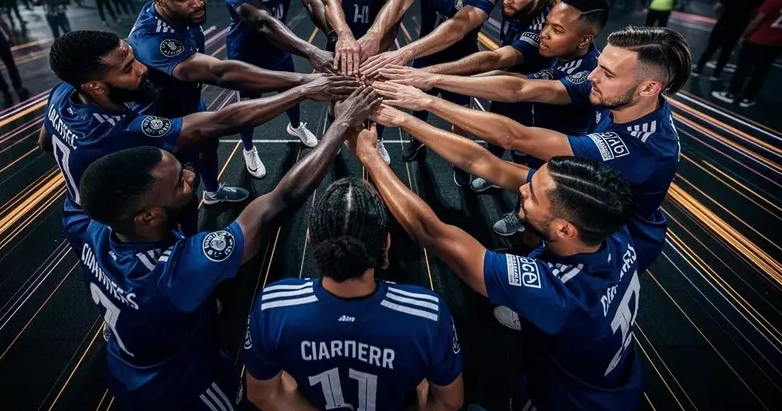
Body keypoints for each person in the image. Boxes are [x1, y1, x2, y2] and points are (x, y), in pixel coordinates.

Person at [67, 87, 378, 411]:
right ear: (147, 217)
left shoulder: (97, 229)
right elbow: (277, 203)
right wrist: (340, 125)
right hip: (186, 391)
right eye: (179, 182)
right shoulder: (175, 272)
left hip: (126, 370)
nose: (191, 175)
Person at [350, 125, 642, 410]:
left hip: (567, 400)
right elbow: (483, 162)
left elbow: (432, 233)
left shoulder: (558, 293)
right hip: (615, 382)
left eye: (533, 195)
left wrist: (370, 157)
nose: (522, 189)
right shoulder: (610, 229)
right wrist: (403, 117)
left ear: (565, 229)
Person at [375, 26, 691, 270]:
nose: (593, 75)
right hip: (583, 211)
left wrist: (427, 101)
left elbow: (515, 137)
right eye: (599, 65)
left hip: (611, 249)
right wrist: (429, 79)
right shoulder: (621, 94)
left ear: (650, 87)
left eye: (607, 73)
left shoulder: (640, 148)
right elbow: (520, 88)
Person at [40, 30, 357, 248]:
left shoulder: (63, 93)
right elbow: (221, 121)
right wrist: (305, 90)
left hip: (77, 212)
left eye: (134, 58)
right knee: (159, 271)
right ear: (95, 86)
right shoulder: (116, 132)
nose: (142, 69)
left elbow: (45, 140)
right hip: (108, 223)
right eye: (127, 69)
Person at [243, 176, 464, 411]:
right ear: (386, 243)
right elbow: (449, 402)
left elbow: (263, 395)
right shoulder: (428, 315)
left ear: (310, 239)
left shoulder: (272, 307)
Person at [131, 0, 331, 204]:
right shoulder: (152, 39)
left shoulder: (181, 15)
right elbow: (220, 73)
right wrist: (305, 81)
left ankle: (212, 192)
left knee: (209, 146)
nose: (197, 3)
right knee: (177, 189)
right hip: (162, 120)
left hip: (189, 100)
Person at [381, 0, 608, 207]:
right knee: (525, 180)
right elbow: (514, 78)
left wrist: (431, 82)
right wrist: (433, 79)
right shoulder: (561, 52)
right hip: (542, 131)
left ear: (584, 40)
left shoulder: (587, 75)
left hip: (562, 155)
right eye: (547, 24)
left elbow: (518, 89)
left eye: (557, 29)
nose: (544, 33)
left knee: (544, 199)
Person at [355, 0, 501, 185]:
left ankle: (461, 161)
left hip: (460, 63)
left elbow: (458, 27)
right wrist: (374, 34)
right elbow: (399, 0)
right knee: (415, 103)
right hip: (425, 55)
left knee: (461, 117)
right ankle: (417, 141)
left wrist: (404, 53)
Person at [404, 0, 561, 189]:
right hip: (504, 83)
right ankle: (494, 177)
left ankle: (522, 201)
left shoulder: (544, 25)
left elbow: (497, 58)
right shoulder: (516, 7)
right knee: (494, 134)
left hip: (529, 96)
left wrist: (432, 74)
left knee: (522, 150)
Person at [222, 0, 335, 179]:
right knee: (248, 106)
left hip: (280, 46)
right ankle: (248, 148)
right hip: (246, 53)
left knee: (291, 91)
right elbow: (264, 23)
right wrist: (312, 51)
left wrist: (334, 33)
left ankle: (295, 126)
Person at [317, 0, 405, 163]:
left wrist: (375, 44)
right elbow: (330, 1)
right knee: (336, 97)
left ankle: (379, 141)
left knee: (378, 97)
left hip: (377, 49)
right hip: (340, 47)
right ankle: (334, 137)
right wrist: (344, 34)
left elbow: (395, 14)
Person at [713, 0, 782, 108]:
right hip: (775, 43)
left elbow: (757, 21)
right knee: (761, 72)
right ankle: (748, 97)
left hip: (758, 39)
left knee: (743, 67)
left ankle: (732, 93)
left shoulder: (774, 1)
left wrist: (744, 35)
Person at [693, 0, 765, 81]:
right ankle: (717, 73)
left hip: (724, 23)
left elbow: (717, 7)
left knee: (711, 48)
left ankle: (699, 68)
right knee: (726, 51)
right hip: (739, 27)